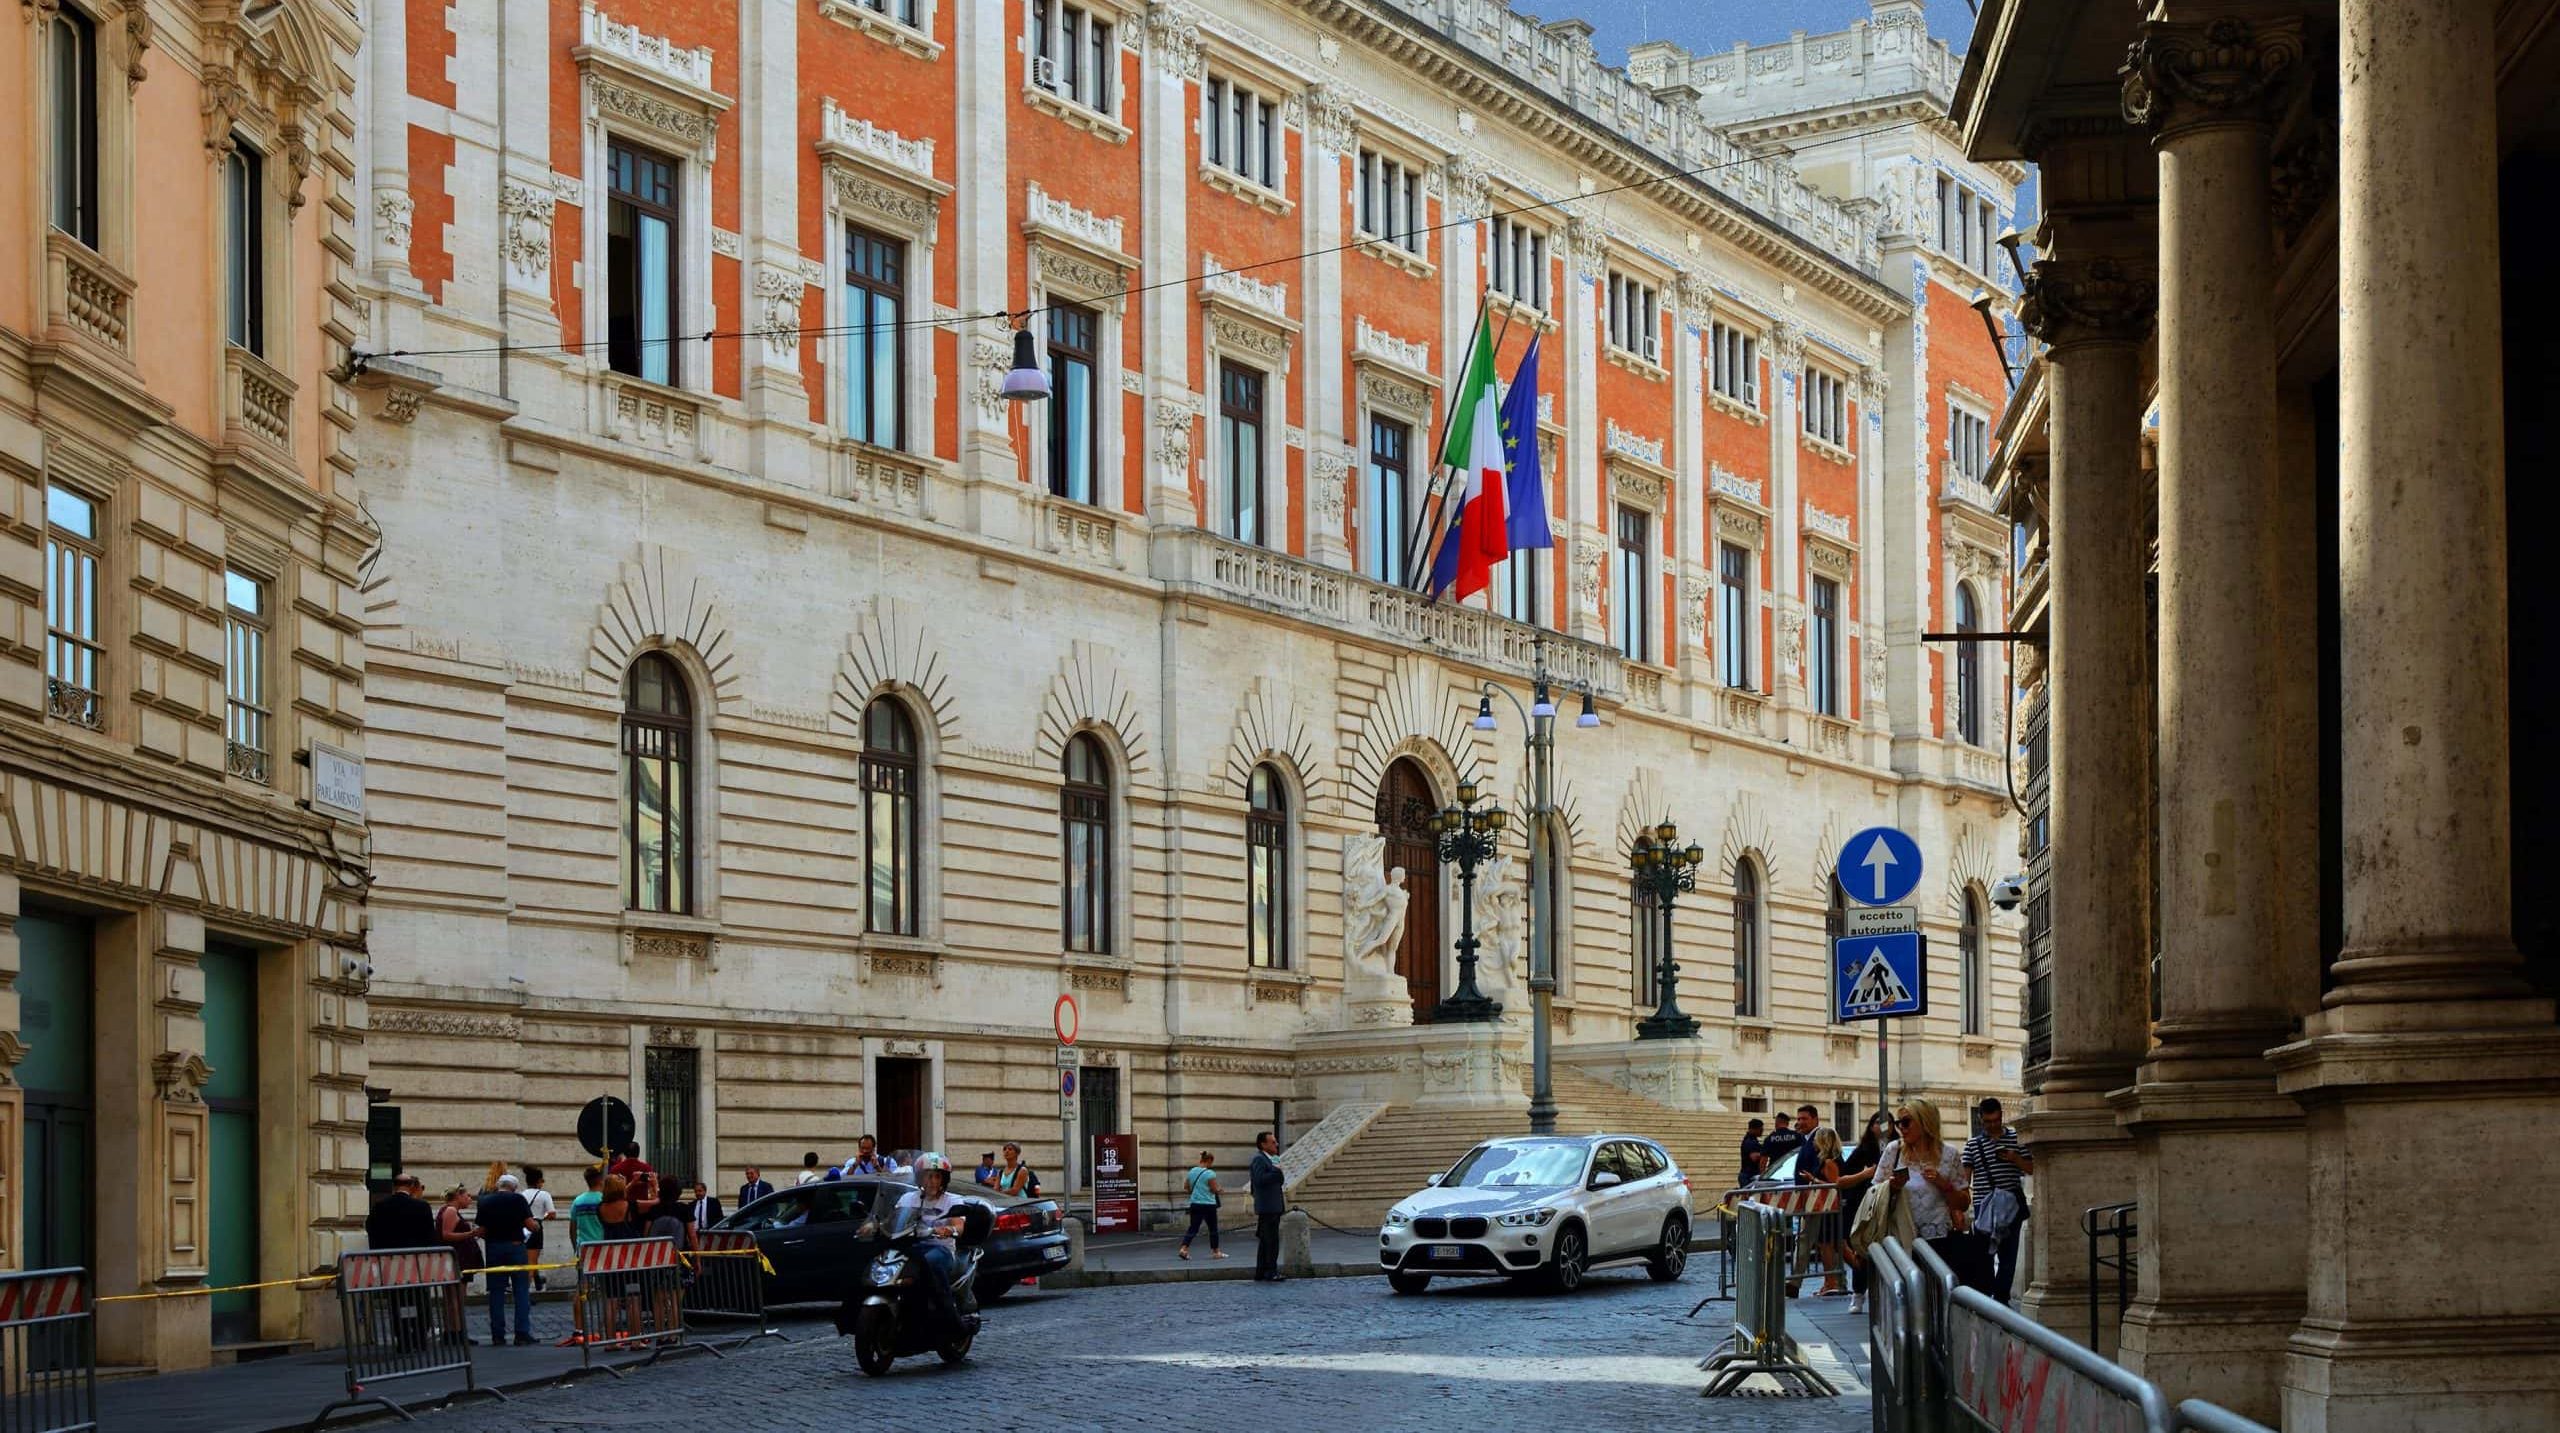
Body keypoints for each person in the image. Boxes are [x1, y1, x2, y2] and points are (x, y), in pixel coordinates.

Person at [1878, 1098, 1974, 1285]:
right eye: (1898, 1124)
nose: (1901, 1128)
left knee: (1936, 1295)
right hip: (1901, 1239)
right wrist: (1893, 1187)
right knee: (1908, 1299)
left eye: (1906, 1122)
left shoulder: (1949, 1154)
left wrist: (1943, 1184)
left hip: (1938, 1239)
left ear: (1925, 1122)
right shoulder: (1894, 1151)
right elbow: (1875, 1194)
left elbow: (1964, 1203)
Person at [889, 1154, 984, 1339]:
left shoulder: (952, 1200)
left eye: (937, 1176)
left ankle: (948, 1315)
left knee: (931, 1261)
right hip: (912, 1247)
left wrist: (949, 1229)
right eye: (928, 1176)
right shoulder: (908, 1198)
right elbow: (892, 1220)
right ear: (920, 1178)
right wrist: (873, 1226)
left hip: (941, 1250)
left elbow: (959, 1226)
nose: (932, 1181)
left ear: (943, 1179)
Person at [1961, 1097, 2034, 1304]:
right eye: (1987, 1122)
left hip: (2010, 1209)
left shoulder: (2016, 1139)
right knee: (1984, 1258)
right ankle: (1989, 1300)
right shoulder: (1972, 1145)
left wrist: (2015, 1158)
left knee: (2008, 1258)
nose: (1992, 1125)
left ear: (2002, 1116)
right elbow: (1964, 1180)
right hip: (1984, 1208)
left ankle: (2001, 1300)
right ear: (1980, 1119)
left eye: (1996, 1120)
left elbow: (2031, 1168)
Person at [475, 1173, 538, 1346]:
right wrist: (537, 1225)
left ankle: (497, 1335)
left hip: (494, 1248)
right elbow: (530, 1225)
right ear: (514, 1187)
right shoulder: (518, 1200)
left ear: (498, 1185)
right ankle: (522, 1333)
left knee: (496, 1292)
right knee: (521, 1291)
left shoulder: (485, 1201)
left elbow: (481, 1229)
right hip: (515, 1247)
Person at [1840, 1112, 1890, 1313]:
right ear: (1871, 1126)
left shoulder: (1896, 1148)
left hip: (1888, 1206)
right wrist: (1866, 1174)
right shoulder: (1862, 1151)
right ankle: (1858, 1293)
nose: (1883, 1126)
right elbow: (1843, 1177)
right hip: (1864, 1205)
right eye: (1878, 1122)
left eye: (1888, 1123)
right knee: (1863, 1250)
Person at [560, 1167, 607, 1347]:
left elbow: (572, 1227)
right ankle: (604, 1328)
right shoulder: (604, 1200)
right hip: (603, 1248)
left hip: (584, 1248)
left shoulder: (578, 1201)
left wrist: (575, 1247)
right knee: (607, 1292)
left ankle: (579, 1328)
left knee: (581, 1289)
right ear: (600, 1181)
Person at [1248, 1132, 1288, 1283]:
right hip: (1267, 1207)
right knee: (1270, 1241)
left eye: (1276, 1141)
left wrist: (1277, 1171)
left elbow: (1279, 1180)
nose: (1276, 1144)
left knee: (1267, 1241)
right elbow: (1259, 1180)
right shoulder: (1259, 1159)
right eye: (1272, 1142)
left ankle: (1262, 1271)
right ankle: (1270, 1271)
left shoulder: (1270, 1160)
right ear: (1263, 1144)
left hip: (1272, 1206)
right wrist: (1275, 1170)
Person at [365, 1172, 438, 1250]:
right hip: (414, 1254)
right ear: (411, 1185)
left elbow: (370, 1228)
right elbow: (430, 1235)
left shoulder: (379, 1206)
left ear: (394, 1186)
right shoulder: (422, 1206)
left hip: (386, 1254)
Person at [1177, 1151, 1226, 1261]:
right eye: (1211, 1162)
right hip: (1208, 1204)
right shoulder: (1210, 1173)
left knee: (1193, 1228)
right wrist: (1220, 1190)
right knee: (1213, 1228)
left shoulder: (1192, 1171)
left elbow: (1186, 1187)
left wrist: (1195, 1192)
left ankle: (1183, 1249)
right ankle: (1216, 1252)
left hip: (1195, 1204)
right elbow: (1213, 1189)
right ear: (1209, 1161)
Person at [523, 1166, 557, 1293]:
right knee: (531, 1261)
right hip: (536, 1226)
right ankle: (525, 1292)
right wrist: (542, 1217)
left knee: (528, 1258)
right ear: (538, 1181)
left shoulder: (521, 1194)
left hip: (522, 1228)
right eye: (542, 1181)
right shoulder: (544, 1194)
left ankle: (537, 1280)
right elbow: (552, 1214)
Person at [1738, 1119, 1766, 1187]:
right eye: (1761, 1129)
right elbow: (1754, 1157)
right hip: (1748, 1176)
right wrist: (1765, 1153)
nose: (1762, 1131)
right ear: (1754, 1129)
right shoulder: (1750, 1141)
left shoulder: (1752, 1140)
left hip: (1749, 1174)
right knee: (1747, 1196)